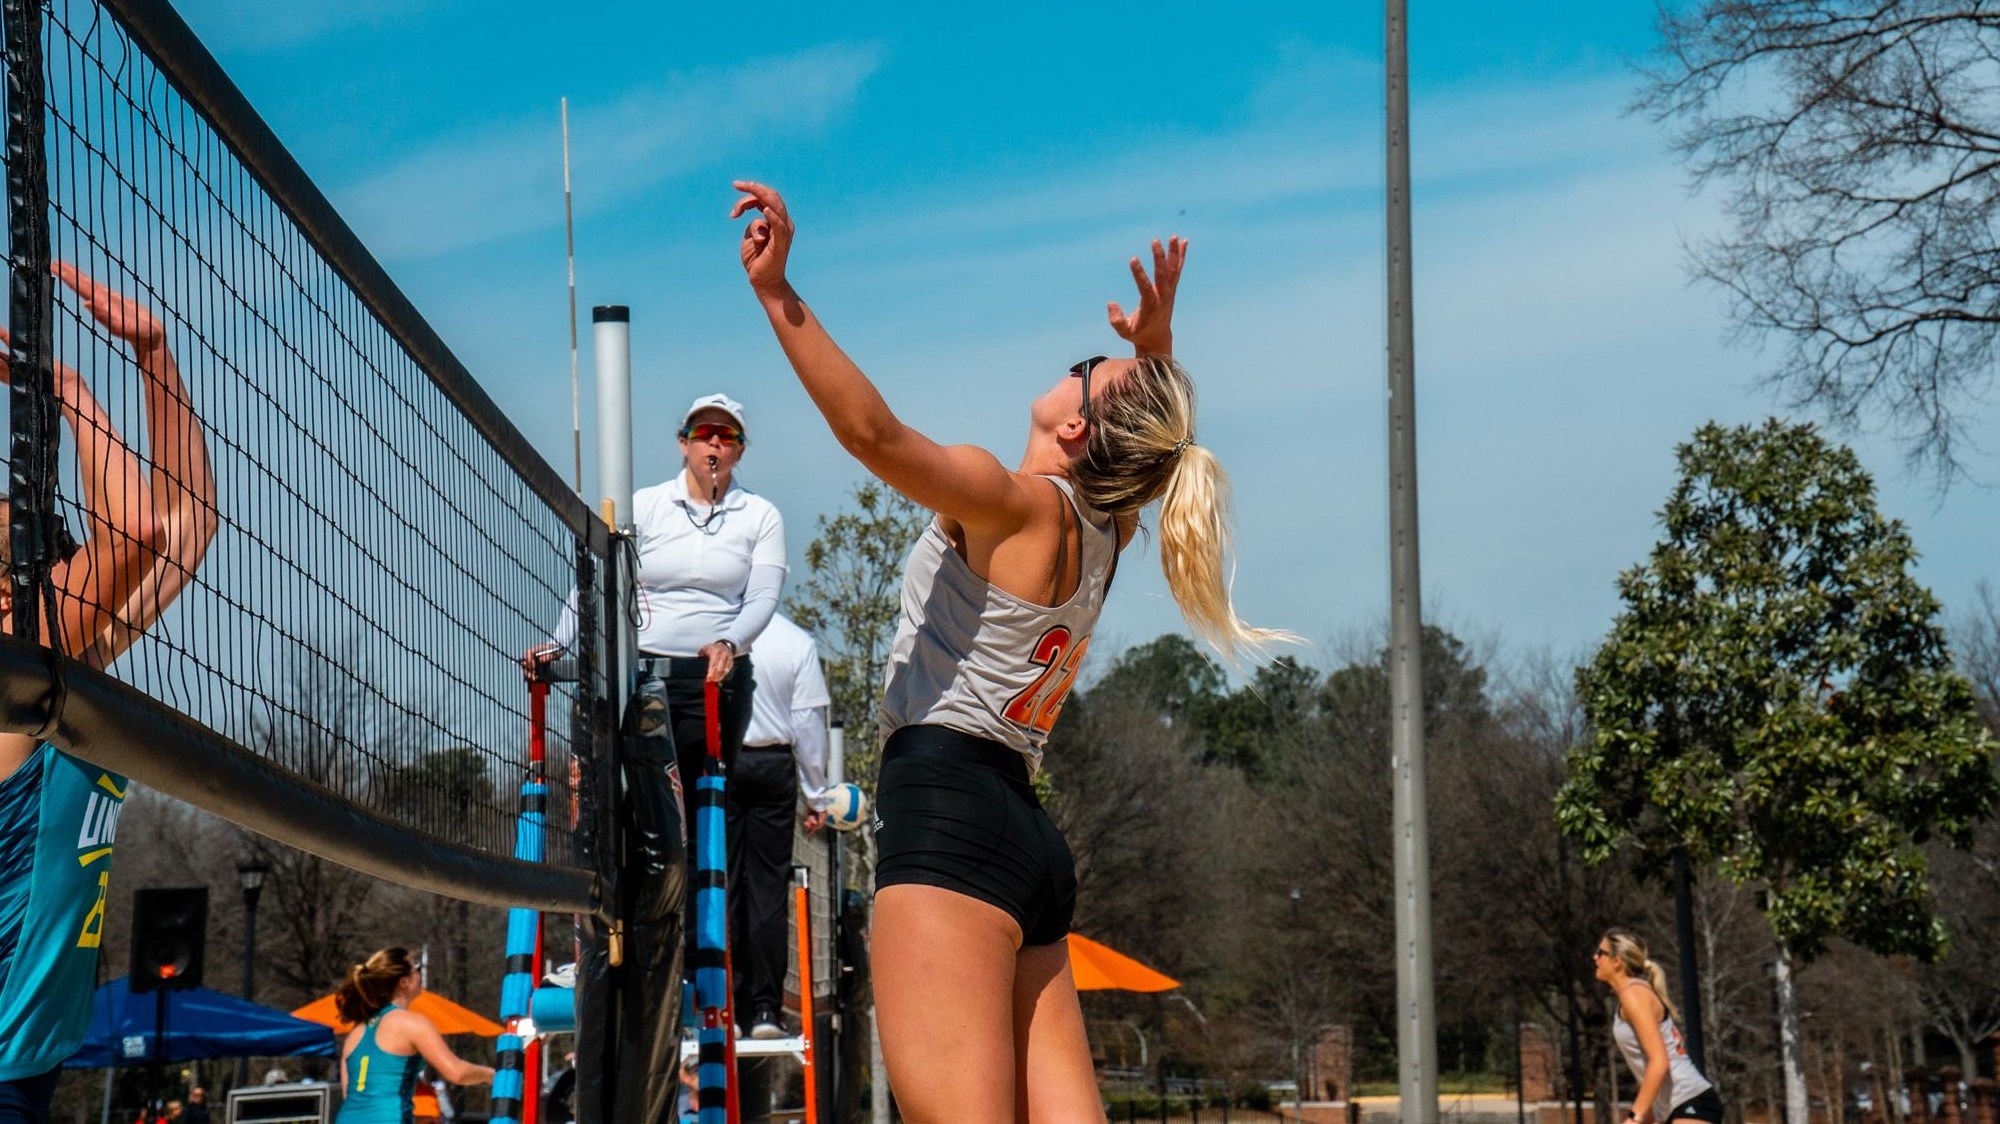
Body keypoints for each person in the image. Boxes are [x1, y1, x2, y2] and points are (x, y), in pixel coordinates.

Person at [730, 182, 1287, 1122]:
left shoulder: (1012, 500)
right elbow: (1148, 449)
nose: (1069, 367)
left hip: (947, 820)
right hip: (1023, 841)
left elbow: (873, 434)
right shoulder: (1106, 535)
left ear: (1073, 429)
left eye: (1081, 368)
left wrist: (777, 292)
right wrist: (1153, 351)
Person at [0, 264, 218, 1124]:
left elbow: (186, 532)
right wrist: (70, 392)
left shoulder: (66, 680)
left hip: (31, 1055)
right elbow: (135, 533)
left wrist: (154, 359)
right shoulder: (17, 678)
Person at [735, 611, 832, 1038]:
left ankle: (723, 1006)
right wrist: (817, 795)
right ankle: (763, 1011)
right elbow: (809, 725)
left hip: (718, 763)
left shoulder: (712, 629)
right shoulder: (796, 641)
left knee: (721, 887)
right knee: (767, 892)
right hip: (773, 766)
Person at [332, 947, 493, 1124]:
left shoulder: (355, 1034)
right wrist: (494, 1074)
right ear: (404, 982)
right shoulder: (411, 1023)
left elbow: (352, 1095)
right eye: (416, 968)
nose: (419, 974)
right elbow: (457, 1073)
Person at [1594, 930, 1724, 1124]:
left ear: (1617, 961)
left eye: (1600, 952)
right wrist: (1644, 1116)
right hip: (1670, 1109)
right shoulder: (1630, 995)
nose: (1594, 957)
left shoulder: (1634, 994)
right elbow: (1648, 1070)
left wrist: (1634, 1118)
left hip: (1692, 1101)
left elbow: (1659, 1061)